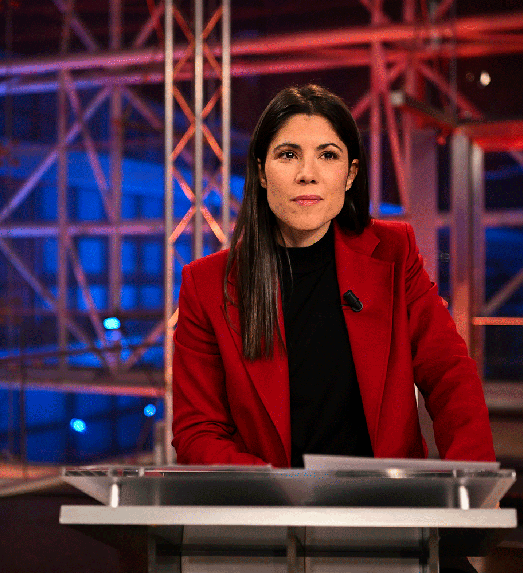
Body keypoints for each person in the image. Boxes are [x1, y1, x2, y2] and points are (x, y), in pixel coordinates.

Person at [171, 84, 495, 469]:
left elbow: (450, 376)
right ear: (261, 172)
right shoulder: (206, 285)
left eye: (327, 155)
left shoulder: (394, 252)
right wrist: (280, 492)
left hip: (385, 501)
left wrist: (472, 482)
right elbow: (197, 431)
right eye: (288, 154)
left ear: (350, 174)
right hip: (269, 503)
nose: (307, 174)